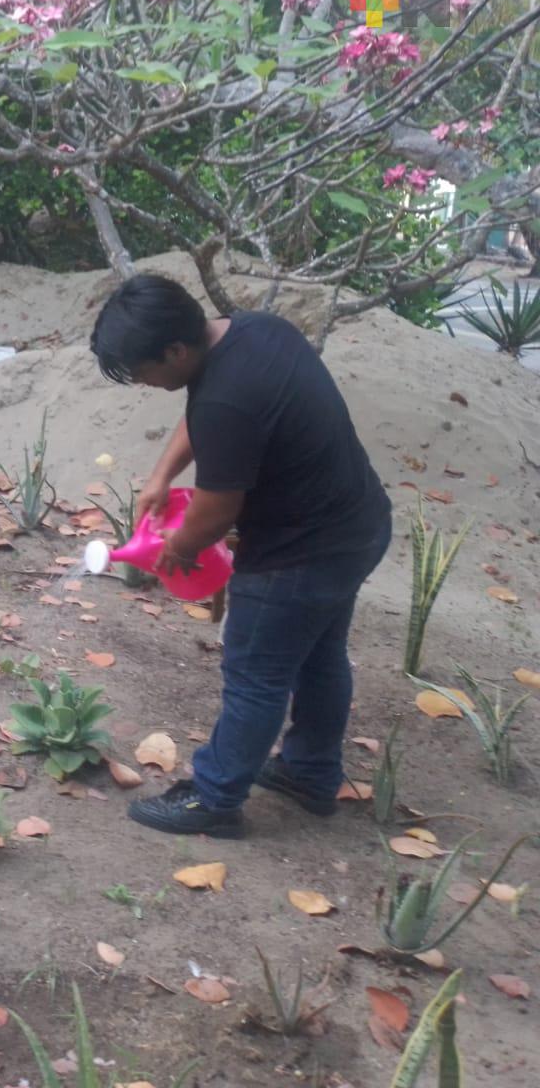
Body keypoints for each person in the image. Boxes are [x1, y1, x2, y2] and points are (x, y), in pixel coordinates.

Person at [89, 274, 392, 839]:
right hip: (359, 527)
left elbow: (217, 511)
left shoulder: (229, 398)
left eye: (143, 371)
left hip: (297, 555)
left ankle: (215, 797)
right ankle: (309, 773)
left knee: (255, 672)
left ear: (175, 350)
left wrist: (176, 549)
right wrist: (161, 475)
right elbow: (204, 413)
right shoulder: (253, 331)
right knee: (319, 654)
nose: (143, 383)